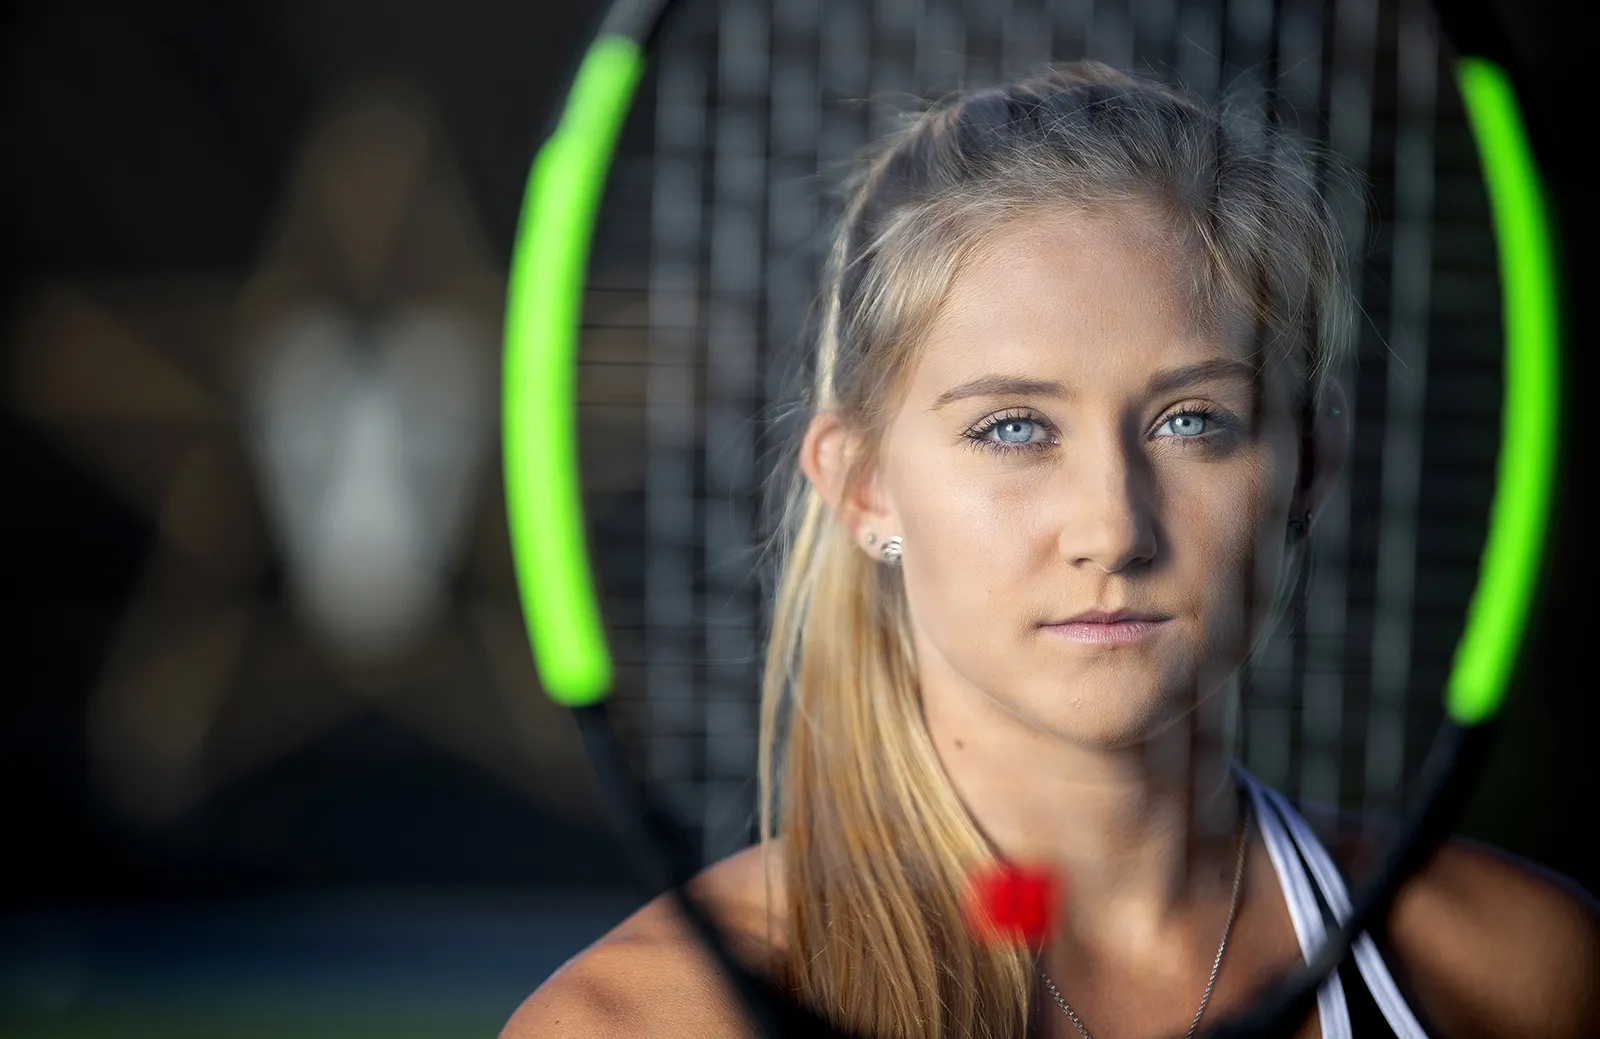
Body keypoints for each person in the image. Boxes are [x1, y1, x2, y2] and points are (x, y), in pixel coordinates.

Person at [505, 63, 1600, 1039]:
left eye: (1191, 421)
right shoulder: (641, 1021)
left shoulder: (1526, 970)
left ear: (1308, 465)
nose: (1113, 530)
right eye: (1013, 429)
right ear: (863, 485)